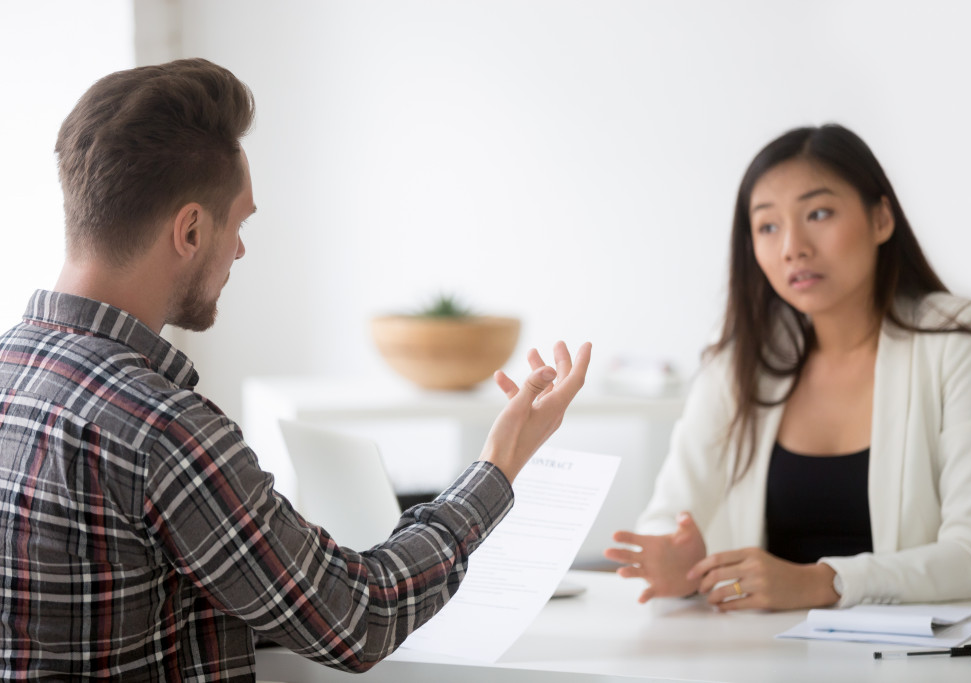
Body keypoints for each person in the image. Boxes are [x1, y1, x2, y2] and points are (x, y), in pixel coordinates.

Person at [0, 58, 591, 679]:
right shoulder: (159, 429)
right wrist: (500, 463)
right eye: (241, 221)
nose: (243, 248)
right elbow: (360, 619)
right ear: (192, 229)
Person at [604, 123, 971, 611]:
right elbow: (666, 519)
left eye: (818, 213)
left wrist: (822, 582)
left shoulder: (955, 338)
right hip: (759, 659)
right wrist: (680, 565)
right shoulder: (737, 364)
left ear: (881, 219)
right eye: (768, 226)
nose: (792, 247)